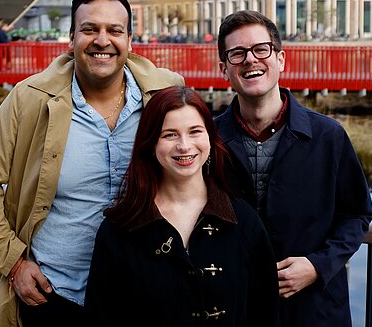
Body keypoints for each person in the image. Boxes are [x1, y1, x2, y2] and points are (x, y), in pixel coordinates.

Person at [0, 0, 183, 327]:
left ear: (129, 40)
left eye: (114, 30)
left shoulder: (165, 94)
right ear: (71, 38)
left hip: (144, 297)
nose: (102, 40)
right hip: (56, 296)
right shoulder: (30, 99)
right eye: (89, 29)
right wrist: (14, 262)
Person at [213, 10, 372, 327]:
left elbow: (356, 215)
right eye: (237, 53)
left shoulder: (328, 136)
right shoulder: (207, 140)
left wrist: (318, 266)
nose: (250, 59)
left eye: (261, 49)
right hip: (235, 308)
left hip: (314, 309)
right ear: (224, 69)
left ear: (281, 59)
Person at [85, 86, 279, 326]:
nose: (184, 146)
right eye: (170, 134)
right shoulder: (119, 230)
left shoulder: (244, 223)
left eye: (195, 131)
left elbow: (265, 314)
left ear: (210, 137)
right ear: (150, 144)